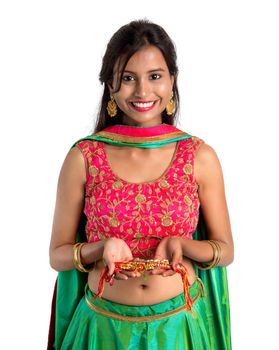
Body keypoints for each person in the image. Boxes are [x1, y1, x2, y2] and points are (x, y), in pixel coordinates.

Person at [48, 19, 234, 350]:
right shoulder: (85, 156)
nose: (143, 92)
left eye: (155, 76)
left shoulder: (198, 155)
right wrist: (101, 248)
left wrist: (184, 245)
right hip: (102, 330)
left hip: (180, 331)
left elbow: (225, 249)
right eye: (128, 78)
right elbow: (58, 255)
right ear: (110, 85)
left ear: (172, 80)